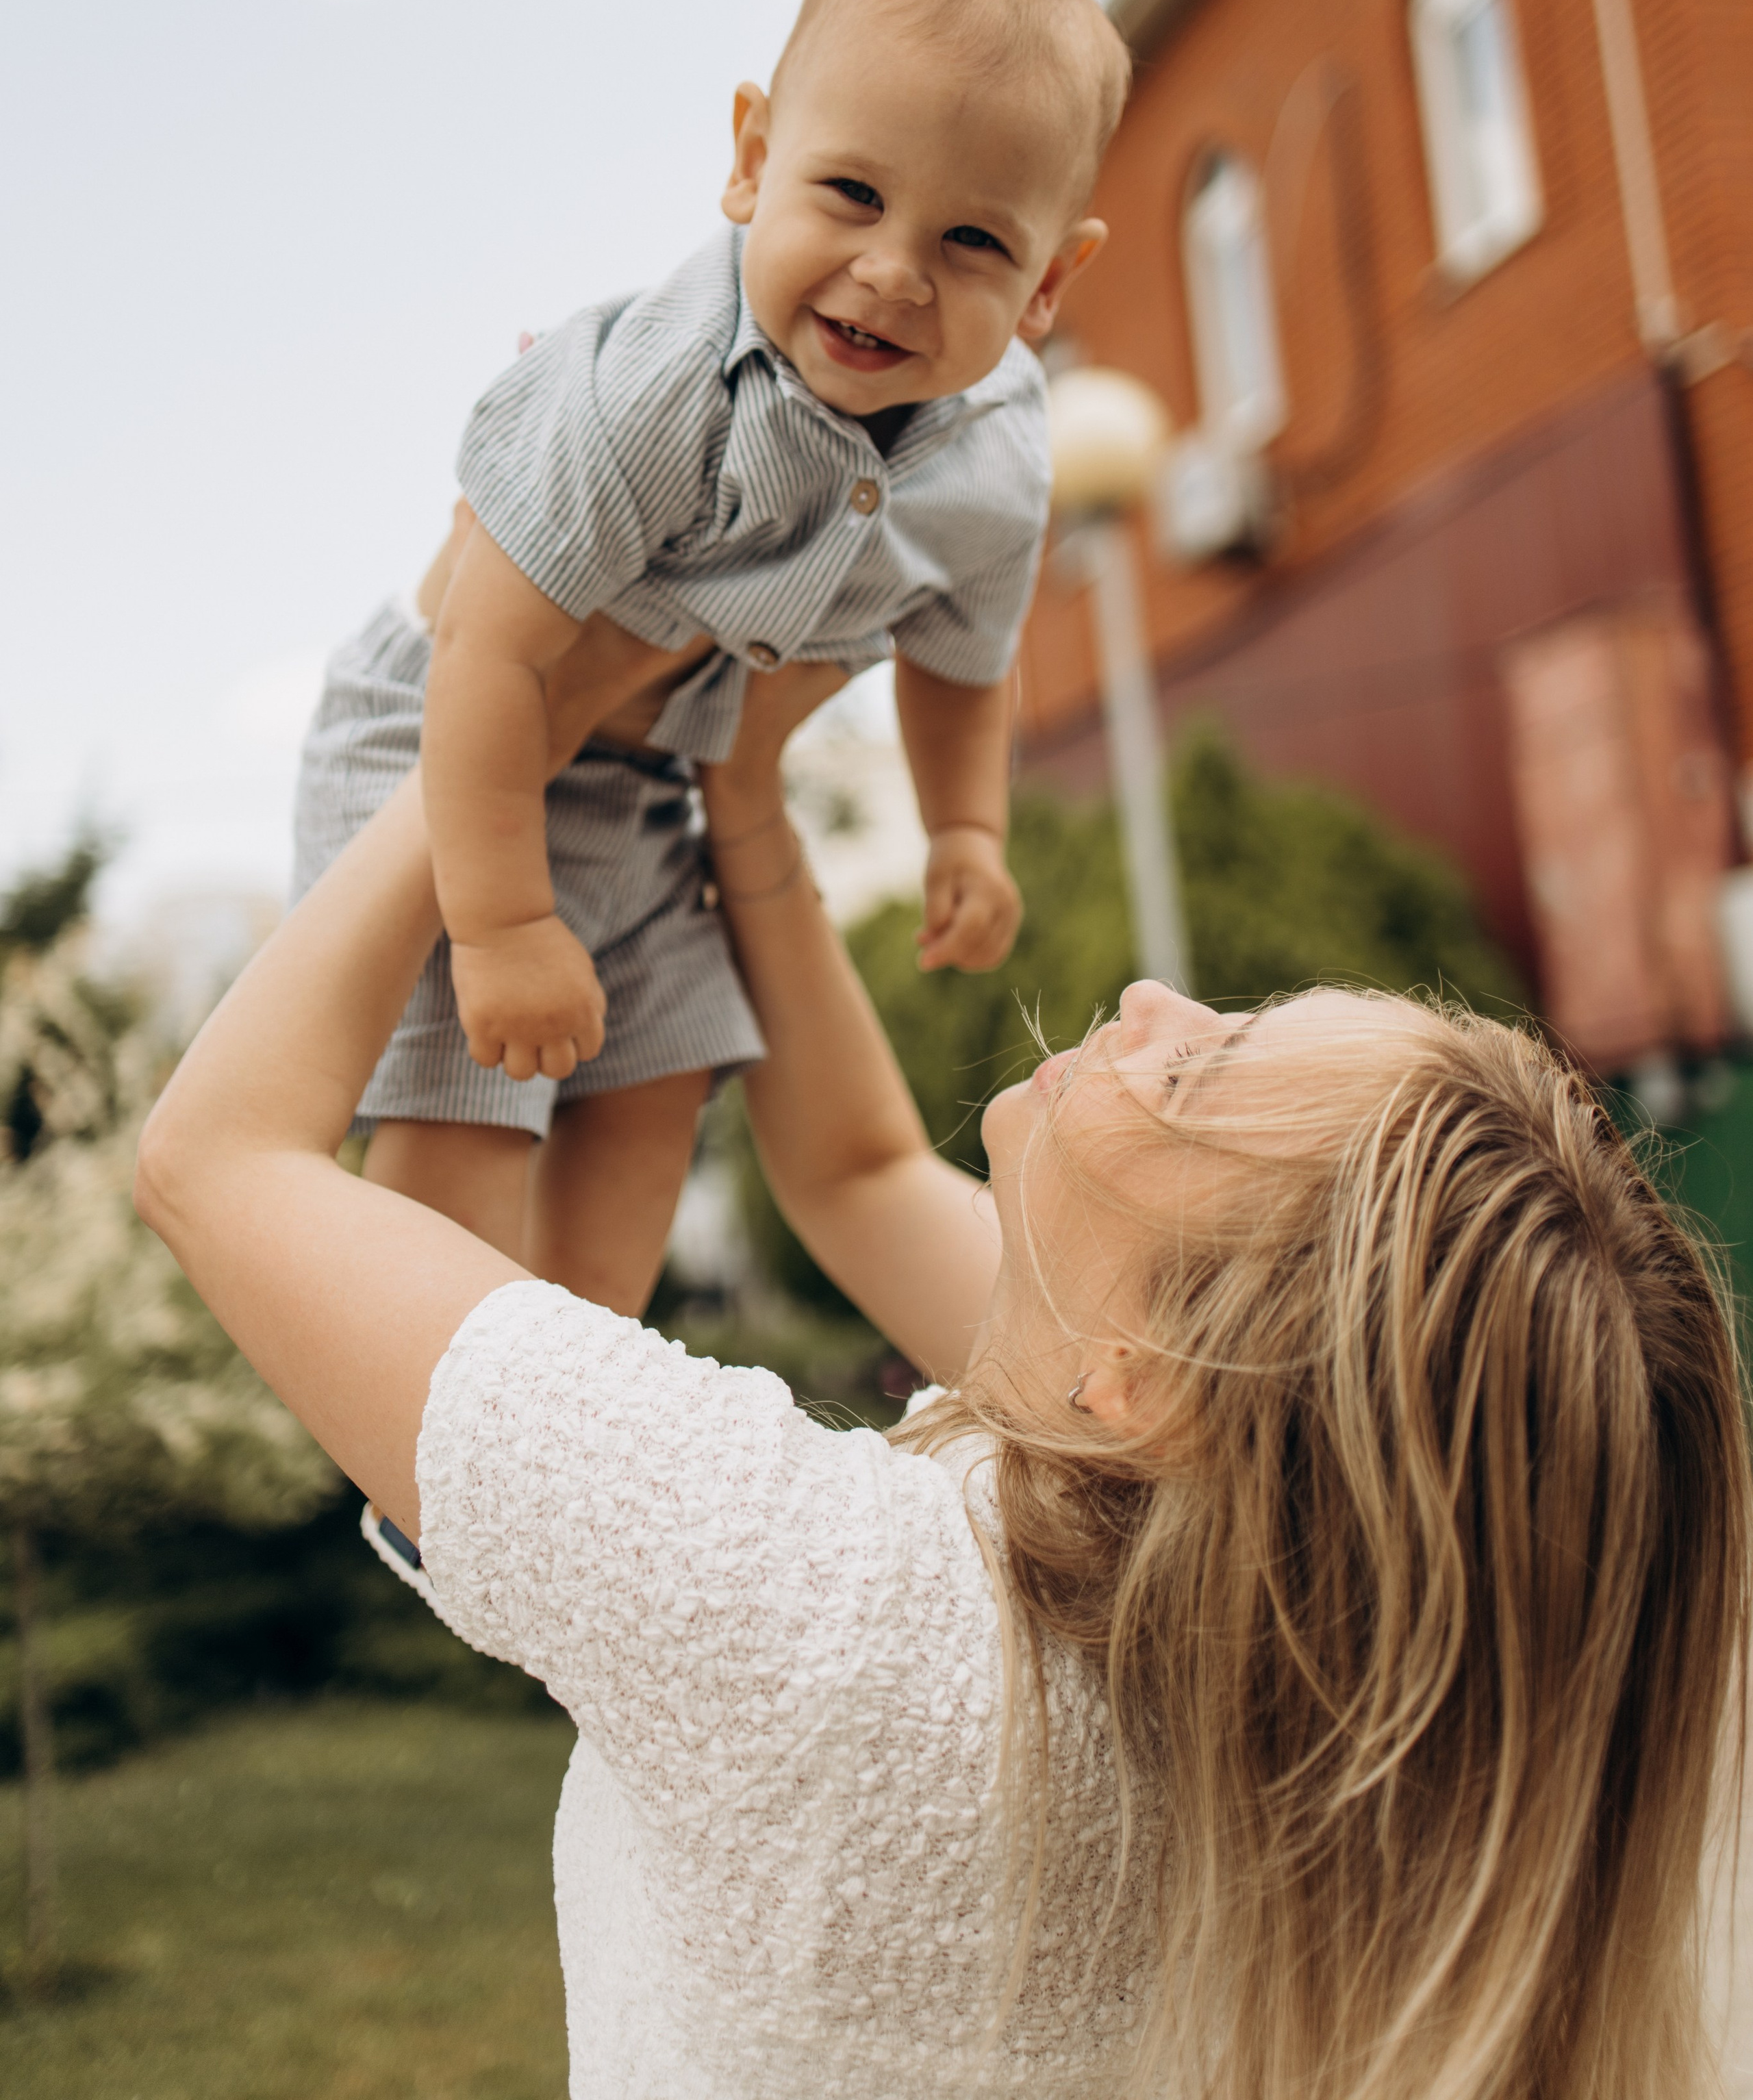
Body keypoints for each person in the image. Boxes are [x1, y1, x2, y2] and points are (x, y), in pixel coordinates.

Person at [138, 650, 1751, 2099]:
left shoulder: (816, 1611)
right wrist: (741, 801)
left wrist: (503, 723)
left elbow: (217, 1162)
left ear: (1152, 1375)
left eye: (1196, 1074)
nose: (1149, 1002)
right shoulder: (1260, 1605)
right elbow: (852, 1172)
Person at [291, 0, 1126, 1313]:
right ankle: (430, 1395)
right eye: (851, 193)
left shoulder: (999, 455)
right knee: (469, 1118)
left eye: (973, 239)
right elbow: (489, 652)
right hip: (454, 737)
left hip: (655, 791)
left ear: (1046, 282)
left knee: (660, 1076)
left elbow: (962, 660)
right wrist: (499, 925)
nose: (894, 271)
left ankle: (579, 1383)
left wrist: (965, 828)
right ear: (751, 158)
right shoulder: (656, 388)